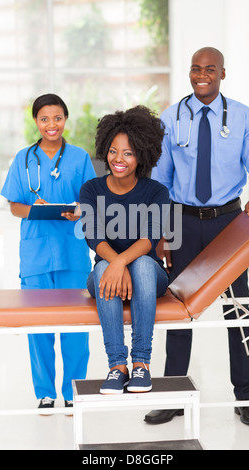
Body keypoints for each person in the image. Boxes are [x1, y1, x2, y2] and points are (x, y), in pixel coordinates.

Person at [145, 47, 249, 426]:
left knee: (238, 310)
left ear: (222, 74)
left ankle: (245, 396)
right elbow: (160, 179)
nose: (203, 75)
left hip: (228, 223)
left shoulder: (244, 117)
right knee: (179, 310)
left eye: (210, 69)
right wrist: (161, 232)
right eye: (196, 69)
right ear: (189, 73)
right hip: (182, 221)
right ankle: (171, 396)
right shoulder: (171, 118)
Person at [1, 93, 96, 410]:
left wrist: (78, 210)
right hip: (36, 254)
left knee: (76, 326)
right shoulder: (23, 159)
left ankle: (73, 392)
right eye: (44, 118)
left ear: (65, 119)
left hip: (72, 251)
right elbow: (14, 205)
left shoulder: (80, 157)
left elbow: (92, 201)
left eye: (57, 118)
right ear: (36, 122)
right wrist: (32, 209)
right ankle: (45, 392)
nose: (51, 124)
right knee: (38, 326)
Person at [79, 105, 170, 394]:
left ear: (142, 155)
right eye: (114, 151)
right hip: (105, 272)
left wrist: (122, 263)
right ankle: (117, 366)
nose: (119, 159)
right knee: (104, 266)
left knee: (142, 263)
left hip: (147, 275)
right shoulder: (91, 190)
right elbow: (93, 237)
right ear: (105, 149)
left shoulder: (156, 192)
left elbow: (150, 239)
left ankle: (141, 363)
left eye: (128, 153)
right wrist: (116, 264)